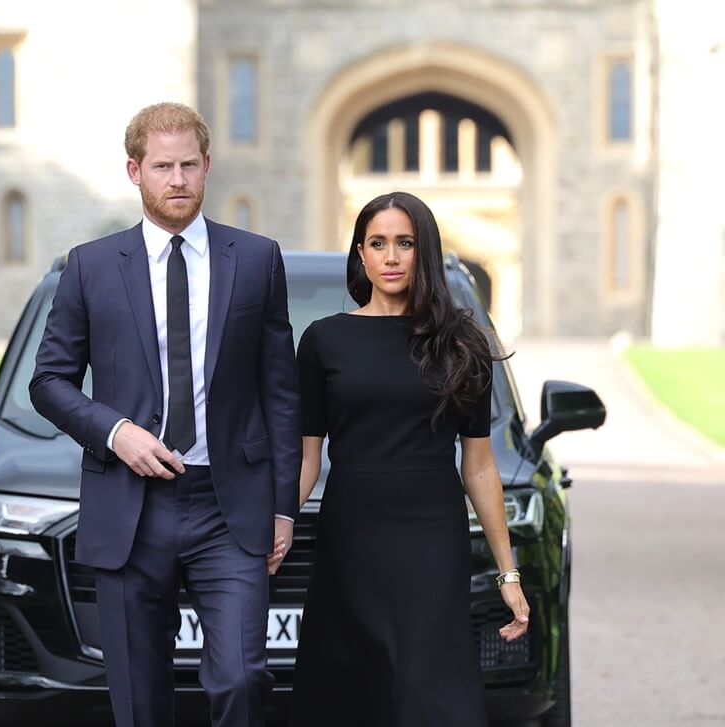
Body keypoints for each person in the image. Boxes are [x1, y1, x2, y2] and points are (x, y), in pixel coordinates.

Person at [29, 102, 300, 727]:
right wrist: (115, 432)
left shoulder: (256, 260)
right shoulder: (91, 266)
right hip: (128, 505)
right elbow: (49, 382)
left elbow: (279, 393)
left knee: (240, 678)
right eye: (162, 167)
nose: (177, 180)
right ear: (134, 171)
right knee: (139, 701)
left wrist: (283, 505)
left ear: (207, 167)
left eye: (188, 166)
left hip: (227, 508)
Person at [290, 191, 530, 726]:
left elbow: (480, 465)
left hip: (432, 536)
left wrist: (507, 575)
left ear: (425, 252)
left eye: (405, 243)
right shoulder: (324, 341)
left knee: (428, 687)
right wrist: (277, 523)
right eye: (378, 243)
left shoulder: (462, 342)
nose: (392, 256)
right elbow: (307, 457)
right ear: (361, 254)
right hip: (350, 534)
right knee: (353, 686)